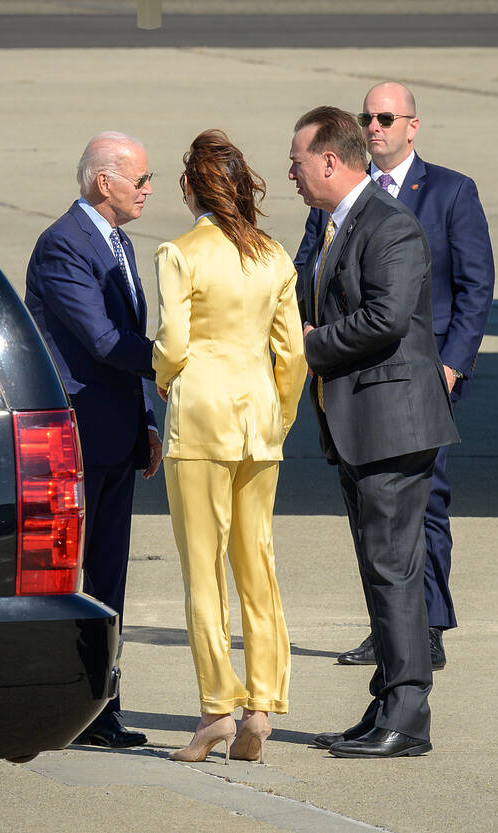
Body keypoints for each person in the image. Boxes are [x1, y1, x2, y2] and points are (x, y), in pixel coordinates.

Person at [295, 82, 494, 671]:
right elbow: (309, 271)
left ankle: (426, 626)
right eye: (367, 116)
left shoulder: (450, 192)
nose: (374, 125)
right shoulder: (333, 204)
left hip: (420, 379)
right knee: (378, 528)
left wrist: (452, 367)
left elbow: (475, 287)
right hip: (355, 382)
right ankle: (390, 632)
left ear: (413, 126)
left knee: (423, 507)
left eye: (386, 116)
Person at [289, 106, 458, 758]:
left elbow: (386, 319)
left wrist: (312, 345)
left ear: (331, 161)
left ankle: (407, 714)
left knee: (393, 571)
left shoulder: (389, 226)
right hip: (357, 425)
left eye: (299, 161)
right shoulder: (336, 223)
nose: (292, 174)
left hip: (392, 427)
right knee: (379, 569)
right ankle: (387, 700)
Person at [153, 130, 306, 764]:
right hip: (258, 421)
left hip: (200, 421)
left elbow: (170, 344)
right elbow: (292, 354)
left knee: (203, 571)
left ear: (193, 188)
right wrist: (280, 414)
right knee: (257, 565)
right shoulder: (274, 256)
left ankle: (216, 705)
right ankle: (262, 706)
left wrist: (165, 382)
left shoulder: (180, 252)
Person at [24, 131, 161, 748]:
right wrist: (181, 360)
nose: (149, 191)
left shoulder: (119, 243)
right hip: (76, 445)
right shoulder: (63, 246)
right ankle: (69, 707)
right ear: (104, 182)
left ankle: (100, 706)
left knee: (109, 579)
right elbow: (104, 342)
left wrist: (149, 421)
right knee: (68, 580)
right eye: (141, 179)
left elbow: (124, 338)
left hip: (118, 439)